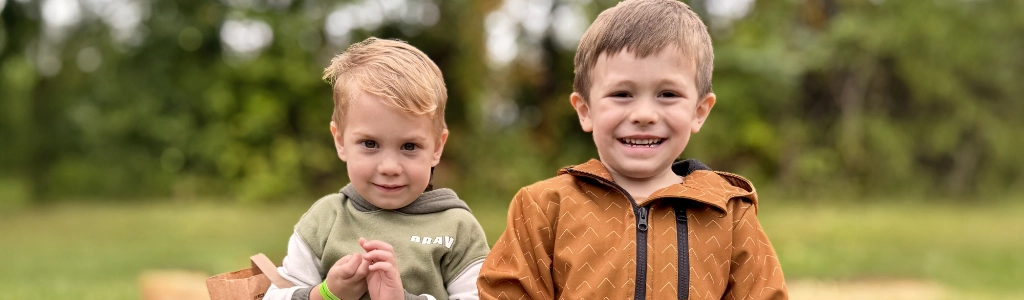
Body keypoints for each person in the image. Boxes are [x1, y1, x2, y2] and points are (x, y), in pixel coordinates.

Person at [477, 0, 788, 299]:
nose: (644, 114)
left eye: (667, 94)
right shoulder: (543, 209)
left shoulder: (730, 214)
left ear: (699, 111)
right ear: (585, 110)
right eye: (622, 94)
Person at [265, 37, 490, 300]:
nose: (390, 167)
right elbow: (274, 295)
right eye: (370, 143)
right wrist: (326, 294)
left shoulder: (456, 228)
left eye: (409, 146)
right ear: (340, 141)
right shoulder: (324, 220)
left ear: (437, 148)